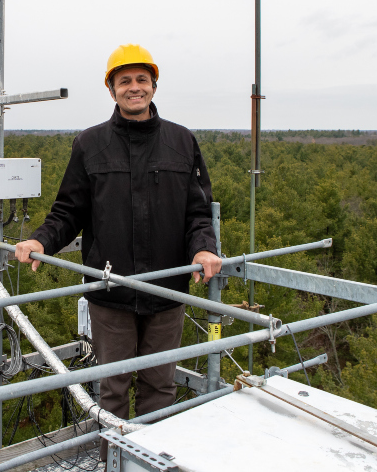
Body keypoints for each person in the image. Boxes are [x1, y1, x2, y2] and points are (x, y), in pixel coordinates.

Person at [14, 44, 222, 449]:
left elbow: (197, 214)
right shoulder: (90, 145)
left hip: (166, 291)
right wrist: (41, 240)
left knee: (159, 388)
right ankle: (113, 460)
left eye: (141, 80)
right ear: (111, 90)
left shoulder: (182, 142)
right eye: (124, 81)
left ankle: (148, 460)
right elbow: (68, 211)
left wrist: (202, 249)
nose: (134, 88)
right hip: (110, 295)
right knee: (112, 390)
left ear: (153, 86)